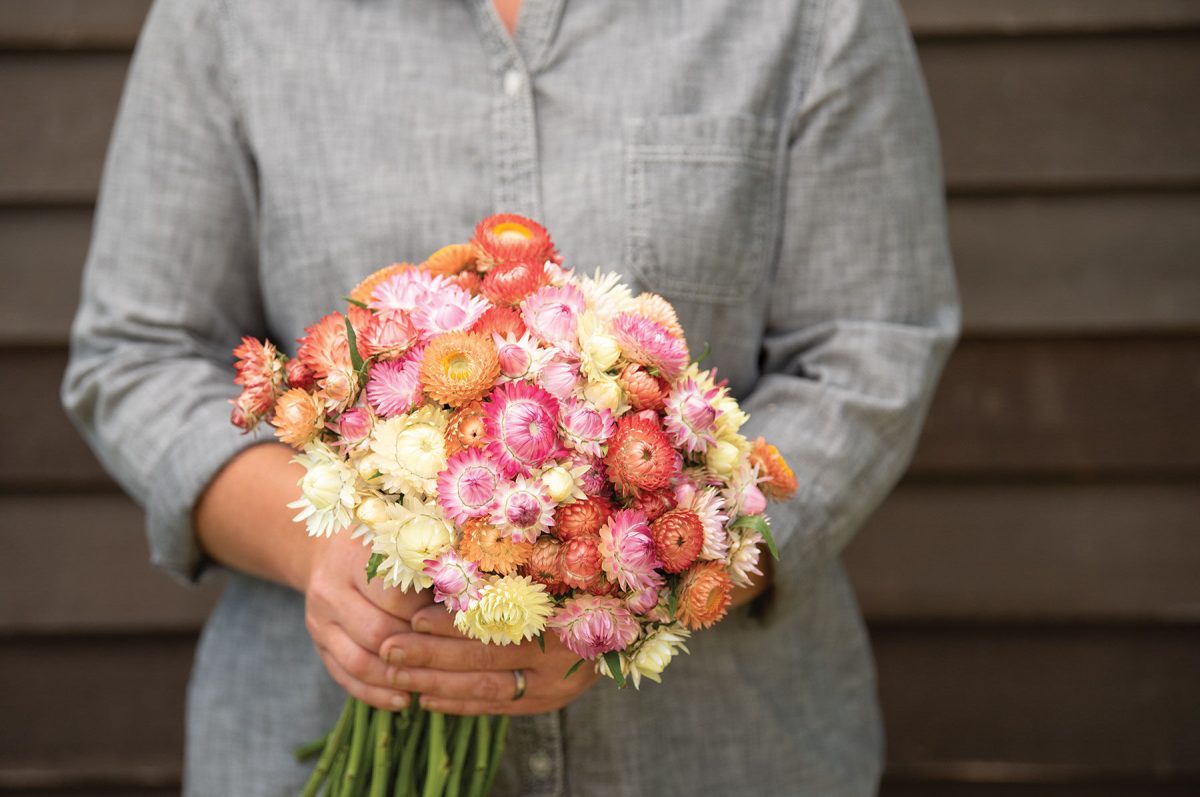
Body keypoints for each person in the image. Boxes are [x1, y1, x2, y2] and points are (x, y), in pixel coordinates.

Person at [63, 0, 958, 794]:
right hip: (297, 704)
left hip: (724, 746)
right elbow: (138, 353)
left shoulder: (811, 15)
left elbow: (872, 344)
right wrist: (324, 553)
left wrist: (645, 581)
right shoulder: (227, 18)